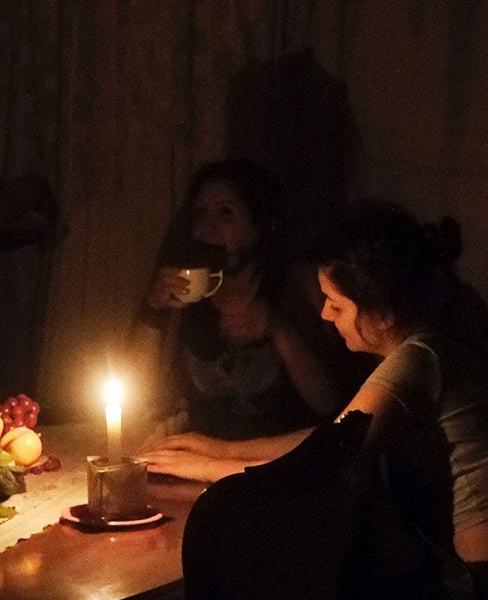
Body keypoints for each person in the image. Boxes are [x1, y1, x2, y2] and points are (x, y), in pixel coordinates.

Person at [145, 204, 488, 600]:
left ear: (380, 308)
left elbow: (325, 468)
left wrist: (209, 470)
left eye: (336, 304)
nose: (323, 314)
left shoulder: (420, 357)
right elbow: (341, 434)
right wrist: (221, 448)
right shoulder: (458, 322)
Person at [127, 160, 349, 441]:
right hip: (203, 459)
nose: (207, 228)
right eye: (200, 213)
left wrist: (276, 329)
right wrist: (153, 310)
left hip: (284, 460)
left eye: (226, 213)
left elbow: (329, 402)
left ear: (261, 225)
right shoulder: (188, 294)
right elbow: (141, 393)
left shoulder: (295, 283)